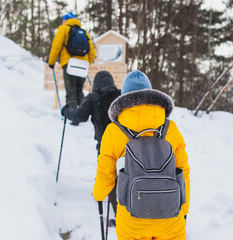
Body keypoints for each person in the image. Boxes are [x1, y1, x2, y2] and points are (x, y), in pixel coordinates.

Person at [92, 70, 190, 239]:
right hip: (170, 216)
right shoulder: (170, 129)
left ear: (123, 97)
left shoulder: (114, 131)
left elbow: (105, 173)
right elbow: (183, 172)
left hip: (131, 217)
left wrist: (99, 195)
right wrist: (184, 208)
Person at [61, 71, 121, 218]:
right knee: (123, 173)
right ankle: (127, 209)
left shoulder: (93, 97)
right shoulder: (121, 95)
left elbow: (79, 116)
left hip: (104, 144)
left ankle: (116, 210)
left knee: (107, 172)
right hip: (124, 141)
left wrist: (66, 111)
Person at [48, 12, 96, 109]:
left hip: (70, 64)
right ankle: (83, 115)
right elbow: (92, 51)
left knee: (71, 91)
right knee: (79, 91)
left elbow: (56, 46)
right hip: (83, 65)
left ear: (65, 20)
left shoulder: (64, 29)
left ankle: (74, 118)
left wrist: (51, 62)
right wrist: (88, 63)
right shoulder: (84, 31)